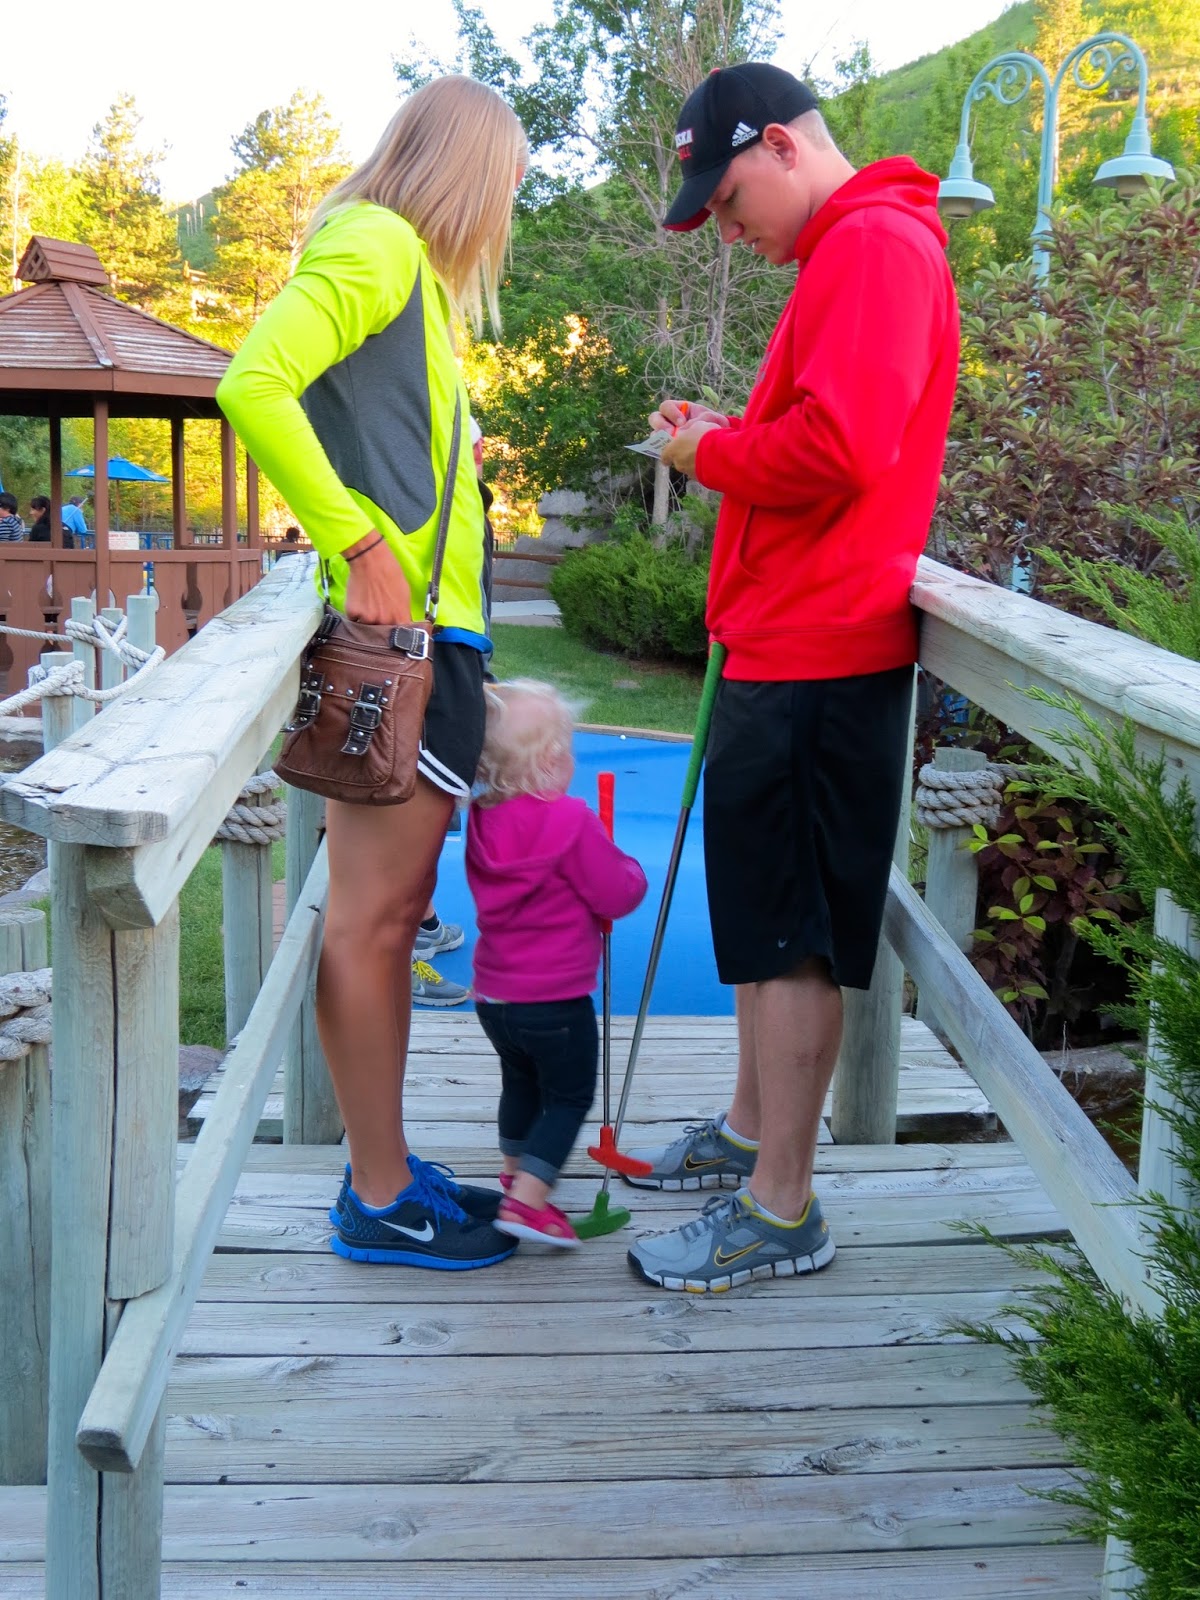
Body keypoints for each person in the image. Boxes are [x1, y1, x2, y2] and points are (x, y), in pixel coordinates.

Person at [623, 64, 960, 1293]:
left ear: (778, 143)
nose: (726, 228)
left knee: (794, 942)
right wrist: (722, 429)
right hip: (790, 640)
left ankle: (781, 1209)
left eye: (726, 199)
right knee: (764, 926)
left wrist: (709, 453)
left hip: (823, 649)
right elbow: (823, 429)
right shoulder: (848, 251)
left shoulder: (872, 246)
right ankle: (753, 1131)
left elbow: (843, 448)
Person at [217, 75, 528, 1270]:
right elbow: (251, 383)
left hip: (433, 644)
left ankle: (383, 1170)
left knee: (388, 922)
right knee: (374, 923)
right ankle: (380, 1193)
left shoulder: (407, 275)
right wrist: (354, 542)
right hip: (405, 649)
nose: (504, 211)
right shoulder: (381, 244)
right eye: (505, 184)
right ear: (469, 172)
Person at [468, 680, 647, 1245]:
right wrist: (630, 869)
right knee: (568, 1096)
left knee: (519, 1082)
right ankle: (527, 1204)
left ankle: (515, 1174)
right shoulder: (570, 820)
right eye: (568, 748)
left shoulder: (481, 818)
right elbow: (616, 893)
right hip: (554, 1001)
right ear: (550, 762)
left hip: (494, 998)